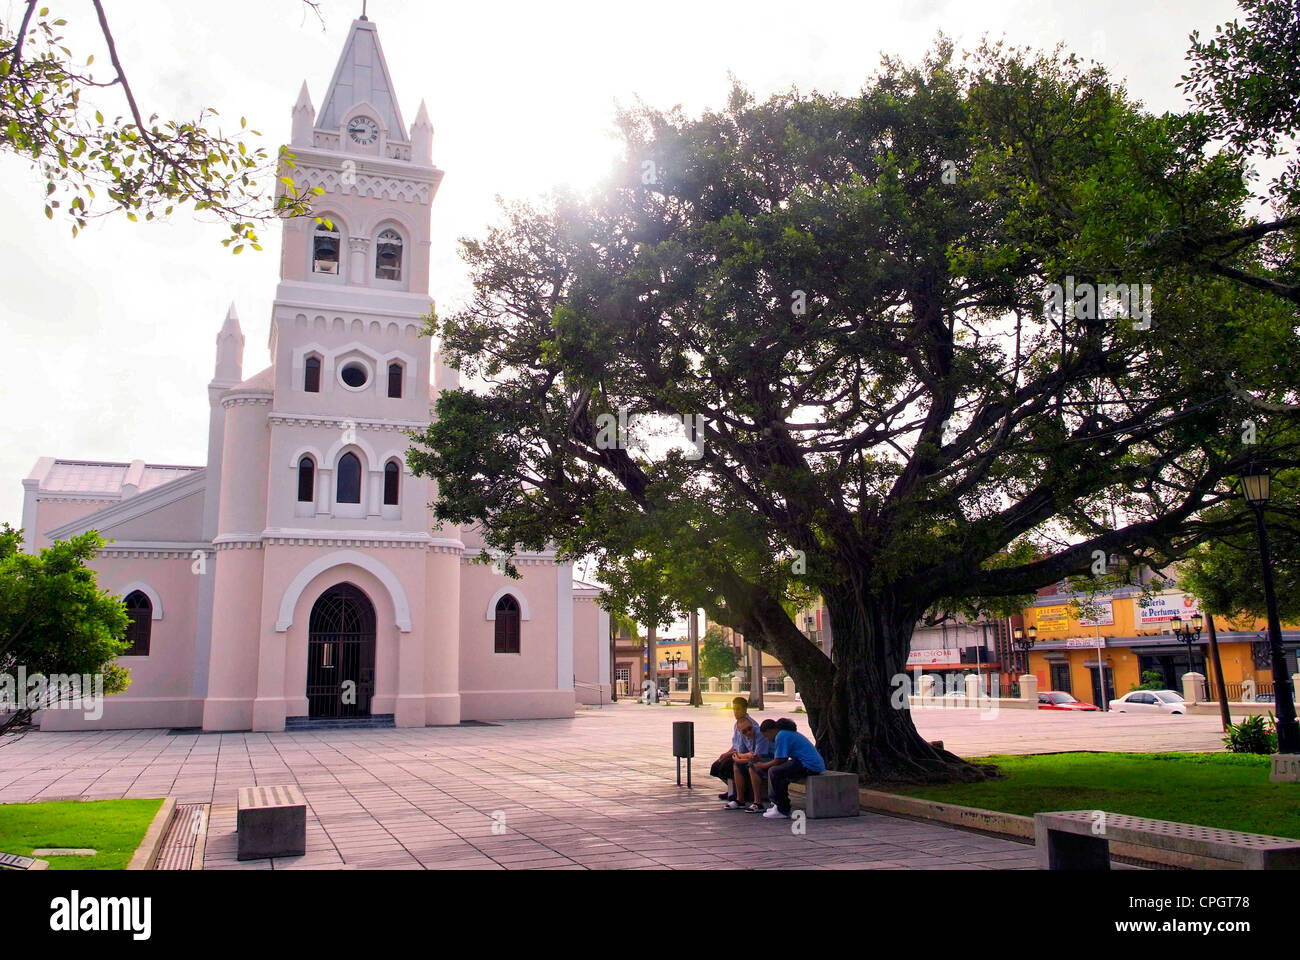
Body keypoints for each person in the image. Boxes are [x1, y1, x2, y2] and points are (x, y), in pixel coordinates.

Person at [754, 717, 826, 819]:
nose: (768, 739)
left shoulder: (781, 735)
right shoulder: (785, 733)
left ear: (771, 731)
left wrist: (762, 765)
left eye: (766, 736)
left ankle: (781, 809)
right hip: (809, 763)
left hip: (809, 765)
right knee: (781, 776)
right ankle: (780, 805)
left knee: (773, 771)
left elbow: (780, 760)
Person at [710, 697, 767, 802]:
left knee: (728, 765)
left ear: (745, 709)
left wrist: (734, 756)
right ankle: (734, 789)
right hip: (741, 754)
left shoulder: (749, 725)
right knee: (716, 766)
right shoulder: (737, 724)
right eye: (734, 709)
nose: (735, 712)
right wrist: (726, 753)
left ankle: (739, 793)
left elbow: (744, 750)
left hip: (749, 755)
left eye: (738, 709)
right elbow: (735, 745)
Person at [725, 714, 774, 811]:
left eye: (750, 729)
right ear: (740, 732)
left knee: (752, 766)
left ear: (752, 725)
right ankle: (740, 800)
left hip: (770, 759)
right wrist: (743, 757)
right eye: (744, 731)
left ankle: (758, 802)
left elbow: (757, 757)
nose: (748, 732)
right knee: (737, 765)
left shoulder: (760, 734)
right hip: (756, 759)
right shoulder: (743, 736)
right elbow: (739, 753)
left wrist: (741, 758)